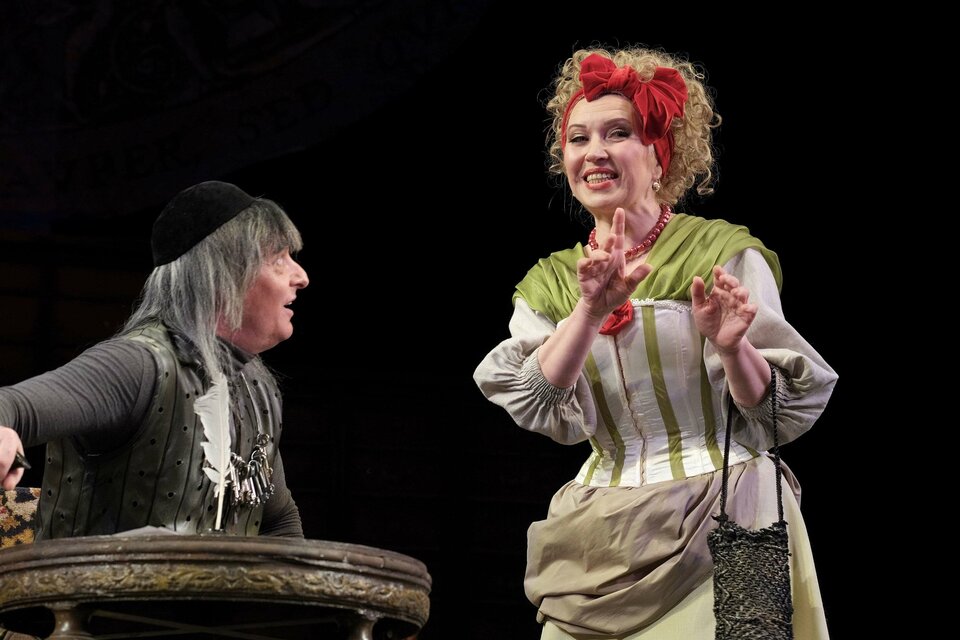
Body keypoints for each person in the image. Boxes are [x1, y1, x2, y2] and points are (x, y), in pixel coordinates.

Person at [473, 47, 838, 639]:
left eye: (618, 133)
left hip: (735, 514)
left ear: (659, 152)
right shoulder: (552, 283)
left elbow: (775, 414)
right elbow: (543, 405)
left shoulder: (722, 254)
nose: (594, 152)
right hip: (601, 530)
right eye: (578, 138)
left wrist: (732, 348)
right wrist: (589, 310)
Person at [0, 180, 309, 539]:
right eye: (278, 260)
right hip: (99, 577)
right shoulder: (136, 365)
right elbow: (12, 404)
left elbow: (280, 521)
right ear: (223, 273)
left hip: (213, 579)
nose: (301, 277)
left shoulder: (257, 388)